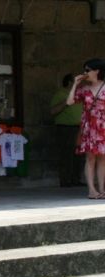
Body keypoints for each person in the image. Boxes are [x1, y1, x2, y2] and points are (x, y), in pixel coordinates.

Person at [67, 58, 105, 199]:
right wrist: (75, 84)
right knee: (90, 158)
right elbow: (69, 102)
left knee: (102, 159)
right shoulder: (84, 89)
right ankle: (91, 190)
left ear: (97, 71)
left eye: (87, 70)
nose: (85, 73)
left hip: (103, 127)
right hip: (89, 127)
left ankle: (101, 189)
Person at [51, 74, 84, 187]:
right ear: (70, 83)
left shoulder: (79, 95)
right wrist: (66, 102)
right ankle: (65, 180)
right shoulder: (60, 94)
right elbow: (53, 111)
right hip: (66, 128)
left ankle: (76, 179)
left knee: (79, 155)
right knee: (66, 154)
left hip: (79, 128)